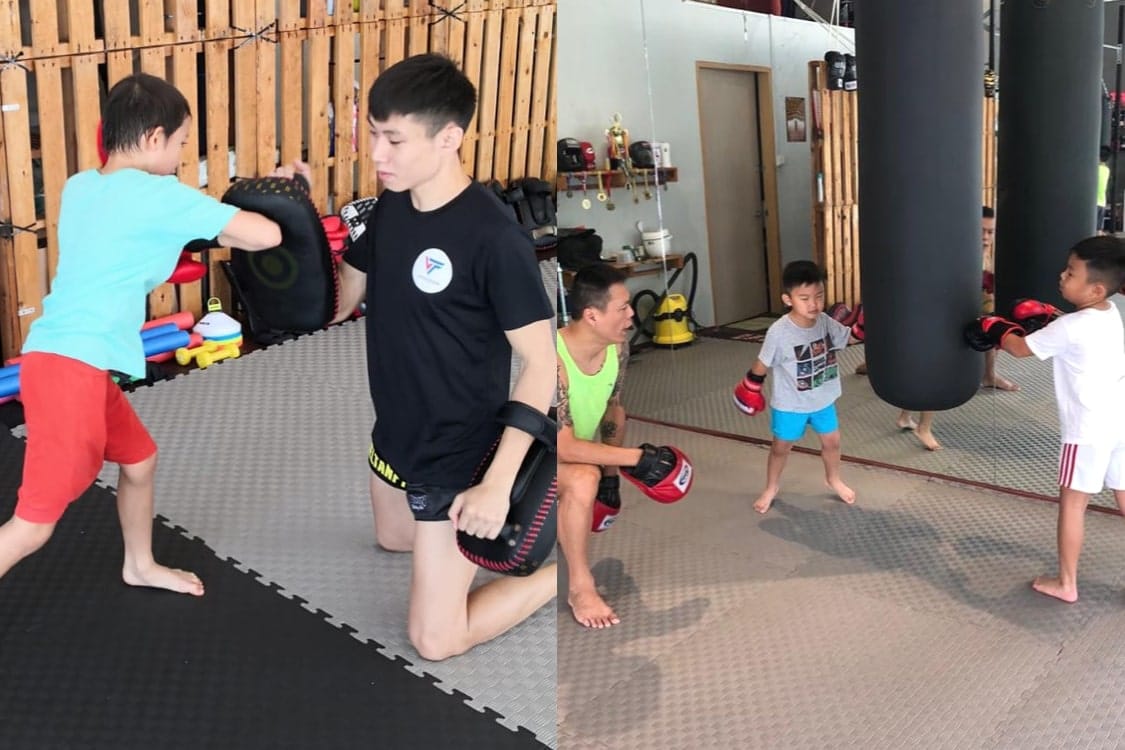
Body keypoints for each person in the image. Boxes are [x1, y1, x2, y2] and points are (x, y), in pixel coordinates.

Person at [0, 73, 284, 594]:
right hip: (71, 372)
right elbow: (266, 235)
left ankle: (140, 565)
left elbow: (139, 234)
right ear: (155, 137)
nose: (179, 157)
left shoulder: (80, 187)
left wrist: (198, 227)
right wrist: (280, 193)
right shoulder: (160, 195)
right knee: (31, 527)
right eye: (181, 143)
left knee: (138, 459)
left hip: (62, 359)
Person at [329, 54, 557, 661]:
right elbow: (343, 296)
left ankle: (560, 574)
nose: (377, 154)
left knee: (435, 640)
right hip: (395, 432)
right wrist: (292, 242)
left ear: (449, 138)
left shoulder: (494, 239)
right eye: (373, 134)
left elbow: (542, 364)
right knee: (392, 537)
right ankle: (447, 547)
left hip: (460, 454)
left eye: (394, 139)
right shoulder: (393, 205)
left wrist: (497, 486)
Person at [966, 235, 1125, 603]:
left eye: (1071, 273)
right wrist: (1052, 316)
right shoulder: (1109, 312)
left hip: (1086, 433)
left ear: (1095, 288)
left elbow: (1021, 349)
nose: (1062, 276)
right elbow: (1074, 330)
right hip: (1119, 423)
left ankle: (1066, 583)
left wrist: (996, 328)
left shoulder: (1069, 328)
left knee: (1072, 505)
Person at [861, 205, 1016, 451]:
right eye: (981, 231)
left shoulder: (986, 255)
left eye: (990, 232)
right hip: (942, 316)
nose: (986, 237)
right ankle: (924, 427)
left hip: (968, 311)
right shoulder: (955, 251)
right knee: (936, 370)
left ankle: (906, 416)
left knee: (986, 337)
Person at [734, 260, 857, 513]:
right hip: (791, 404)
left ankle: (833, 479)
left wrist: (865, 327)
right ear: (788, 299)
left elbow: (849, 338)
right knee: (781, 448)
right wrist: (751, 386)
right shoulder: (779, 332)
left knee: (832, 442)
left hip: (822, 399)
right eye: (804, 298)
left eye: (819, 296)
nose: (814, 304)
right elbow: (763, 362)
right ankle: (771, 487)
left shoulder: (825, 321)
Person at [556, 264, 636, 629]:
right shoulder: (553, 359)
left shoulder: (618, 349)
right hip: (524, 460)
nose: (631, 314)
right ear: (592, 315)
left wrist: (612, 477)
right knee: (583, 477)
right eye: (622, 308)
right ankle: (580, 587)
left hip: (571, 453)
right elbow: (564, 447)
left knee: (592, 476)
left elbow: (613, 410)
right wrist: (638, 459)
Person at [1098, 145, 1111, 235]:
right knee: (1098, 230)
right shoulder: (1107, 170)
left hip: (1093, 202)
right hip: (1102, 202)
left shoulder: (1094, 169)